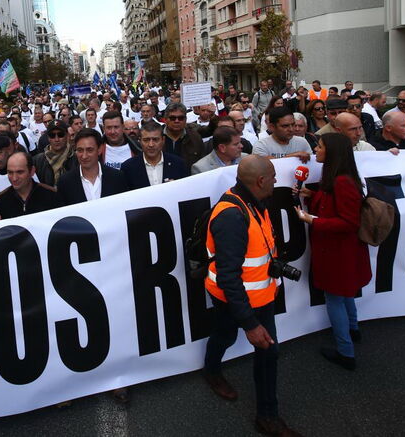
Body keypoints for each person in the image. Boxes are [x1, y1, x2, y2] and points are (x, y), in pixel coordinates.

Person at [202, 156, 301, 437]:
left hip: (260, 298)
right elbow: (229, 277)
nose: (276, 181)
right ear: (260, 181)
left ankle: (267, 416)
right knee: (226, 336)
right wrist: (250, 324)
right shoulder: (232, 217)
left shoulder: (254, 202)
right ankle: (212, 371)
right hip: (234, 301)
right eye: (273, 177)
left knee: (268, 354)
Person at [294, 134, 370, 370]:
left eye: (319, 146)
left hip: (338, 252)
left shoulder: (342, 182)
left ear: (332, 152)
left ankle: (345, 351)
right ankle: (353, 329)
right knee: (345, 293)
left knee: (335, 298)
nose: (315, 150)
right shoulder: (338, 178)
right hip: (339, 250)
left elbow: (349, 222)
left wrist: (312, 220)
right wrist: (312, 195)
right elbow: (333, 205)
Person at [57, 129, 129, 204]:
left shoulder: (117, 177)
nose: (84, 156)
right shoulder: (65, 182)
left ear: (99, 150)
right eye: (80, 150)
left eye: (89, 150)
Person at [0, 151, 64, 219]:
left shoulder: (51, 195)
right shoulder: (0, 201)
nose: (14, 178)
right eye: (10, 172)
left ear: (32, 171)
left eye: (20, 172)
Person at [121, 120, 187, 188]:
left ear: (163, 140)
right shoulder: (128, 168)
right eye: (146, 140)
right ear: (140, 141)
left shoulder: (178, 164)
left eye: (155, 140)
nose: (151, 144)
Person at [33, 120, 76, 187]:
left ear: (67, 136)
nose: (56, 139)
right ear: (48, 138)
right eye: (52, 135)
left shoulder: (76, 158)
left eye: (60, 135)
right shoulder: (38, 161)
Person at [162, 103, 206, 169]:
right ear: (165, 119)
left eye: (181, 118)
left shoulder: (195, 138)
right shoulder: (156, 137)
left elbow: (202, 164)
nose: (177, 121)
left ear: (185, 119)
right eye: (172, 118)